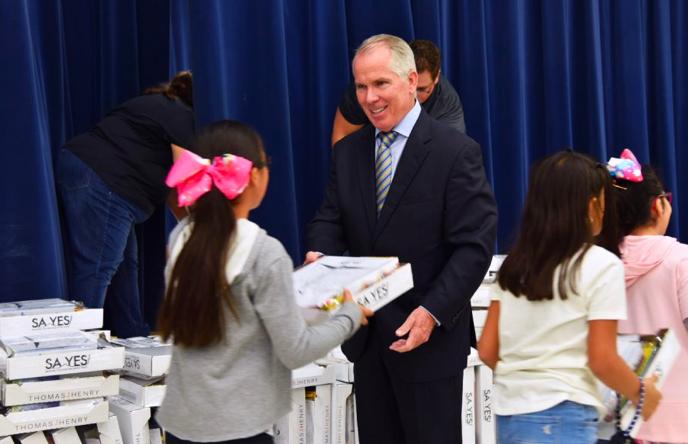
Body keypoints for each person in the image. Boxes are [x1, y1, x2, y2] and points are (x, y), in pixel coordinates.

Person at [307, 34, 497, 444]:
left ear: (412, 81)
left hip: (427, 343)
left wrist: (432, 312)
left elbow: (474, 246)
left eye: (380, 84)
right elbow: (331, 218)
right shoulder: (348, 152)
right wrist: (319, 256)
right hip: (368, 340)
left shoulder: (455, 151)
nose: (370, 97)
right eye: (361, 86)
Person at [155, 120, 372, 444]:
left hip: (182, 422)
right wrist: (349, 316)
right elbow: (296, 350)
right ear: (254, 176)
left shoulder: (182, 237)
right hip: (239, 428)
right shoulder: (264, 253)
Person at [477, 150, 661, 444]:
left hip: (508, 417)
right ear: (592, 205)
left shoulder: (515, 266)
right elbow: (602, 359)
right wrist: (642, 394)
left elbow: (487, 350)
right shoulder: (601, 265)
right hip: (564, 417)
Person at [55, 71, 194, 338]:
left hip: (83, 167)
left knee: (123, 265)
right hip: (107, 180)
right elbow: (183, 178)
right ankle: (79, 345)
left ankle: (133, 336)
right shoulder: (183, 117)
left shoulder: (156, 104)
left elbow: (173, 191)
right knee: (98, 267)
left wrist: (190, 226)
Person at [603, 148, 688, 443]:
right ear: (657, 206)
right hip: (678, 421)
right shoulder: (680, 261)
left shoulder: (598, 265)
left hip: (618, 419)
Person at [331, 39, 466, 146]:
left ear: (437, 78)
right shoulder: (366, 90)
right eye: (409, 83)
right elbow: (341, 138)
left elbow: (450, 155)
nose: (414, 95)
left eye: (422, 89)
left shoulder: (446, 102)